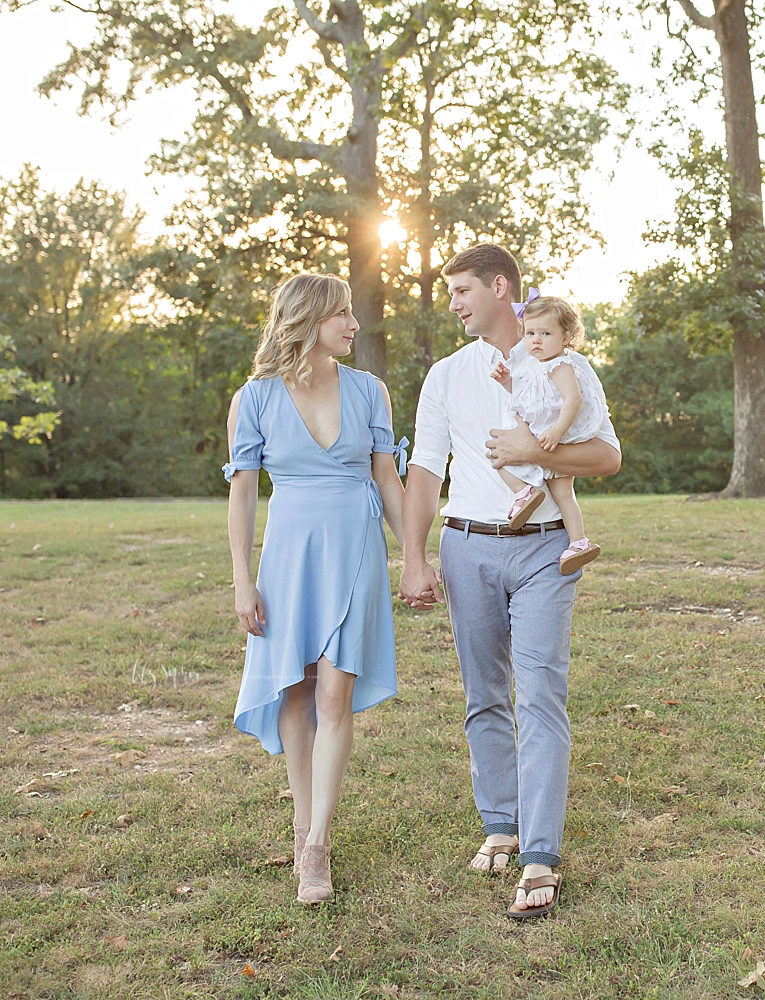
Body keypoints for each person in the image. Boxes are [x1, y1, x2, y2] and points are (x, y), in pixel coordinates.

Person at [400, 243, 621, 919]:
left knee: (542, 696)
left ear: (501, 287)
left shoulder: (563, 362)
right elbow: (426, 471)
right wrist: (413, 555)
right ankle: (500, 821)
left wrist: (535, 450)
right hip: (467, 548)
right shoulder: (446, 374)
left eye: (464, 290)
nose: (456, 303)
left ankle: (540, 854)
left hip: (546, 552)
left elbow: (607, 455)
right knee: (484, 694)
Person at [223, 273, 408, 905]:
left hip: (353, 550)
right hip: (287, 558)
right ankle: (303, 821)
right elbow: (243, 494)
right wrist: (243, 580)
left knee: (335, 693)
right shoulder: (255, 397)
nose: (355, 324)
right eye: (342, 314)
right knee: (295, 692)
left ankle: (318, 846)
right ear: (309, 319)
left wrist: (414, 554)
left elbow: (387, 479)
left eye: (353, 313)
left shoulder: (369, 391)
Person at [489, 293, 607, 574]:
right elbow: (525, 397)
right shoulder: (533, 366)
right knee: (503, 458)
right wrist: (508, 382)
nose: (536, 340)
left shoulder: (561, 365)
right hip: (540, 434)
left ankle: (575, 538)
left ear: (566, 337)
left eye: (545, 333)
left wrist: (557, 431)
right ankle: (572, 536)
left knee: (562, 492)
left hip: (552, 436)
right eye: (530, 333)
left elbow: (573, 400)